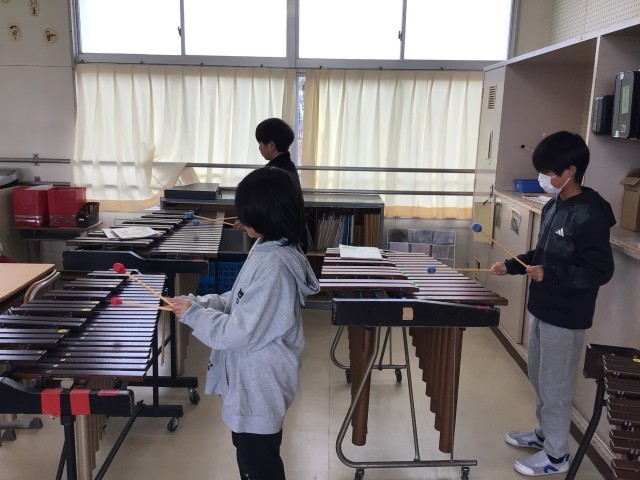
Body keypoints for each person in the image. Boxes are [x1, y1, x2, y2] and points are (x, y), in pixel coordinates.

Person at [169, 167, 320, 480]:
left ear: (267, 215)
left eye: (247, 214)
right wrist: (201, 303)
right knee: (252, 458)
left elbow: (238, 332)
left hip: (259, 390)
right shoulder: (268, 247)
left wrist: (194, 315)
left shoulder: (274, 268)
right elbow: (240, 299)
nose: (240, 219)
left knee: (258, 466)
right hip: (252, 384)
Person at [489, 131, 615, 476]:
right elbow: (542, 255)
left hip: (567, 315)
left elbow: (600, 271)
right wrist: (512, 265)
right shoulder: (555, 205)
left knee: (556, 387)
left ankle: (557, 456)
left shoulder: (590, 214)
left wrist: (551, 274)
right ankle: (545, 435)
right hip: (542, 307)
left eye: (549, 172)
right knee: (539, 377)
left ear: (570, 171)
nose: (543, 178)